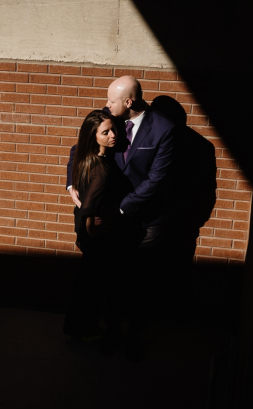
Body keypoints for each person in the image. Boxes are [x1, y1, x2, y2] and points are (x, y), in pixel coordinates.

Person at [66, 76, 177, 359]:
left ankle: (134, 337)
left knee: (140, 279)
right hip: (110, 223)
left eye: (112, 101)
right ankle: (111, 331)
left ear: (129, 102)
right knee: (113, 279)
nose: (106, 105)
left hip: (143, 219)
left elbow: (156, 180)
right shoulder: (109, 120)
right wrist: (71, 184)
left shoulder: (164, 129)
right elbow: (77, 148)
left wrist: (120, 209)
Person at [62, 110, 131, 341]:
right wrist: (94, 230)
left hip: (90, 236)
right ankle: (83, 329)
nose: (113, 135)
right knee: (91, 287)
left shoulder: (87, 158)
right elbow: (89, 208)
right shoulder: (101, 169)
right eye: (106, 132)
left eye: (113, 129)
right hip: (99, 240)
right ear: (94, 137)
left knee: (86, 284)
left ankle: (77, 328)